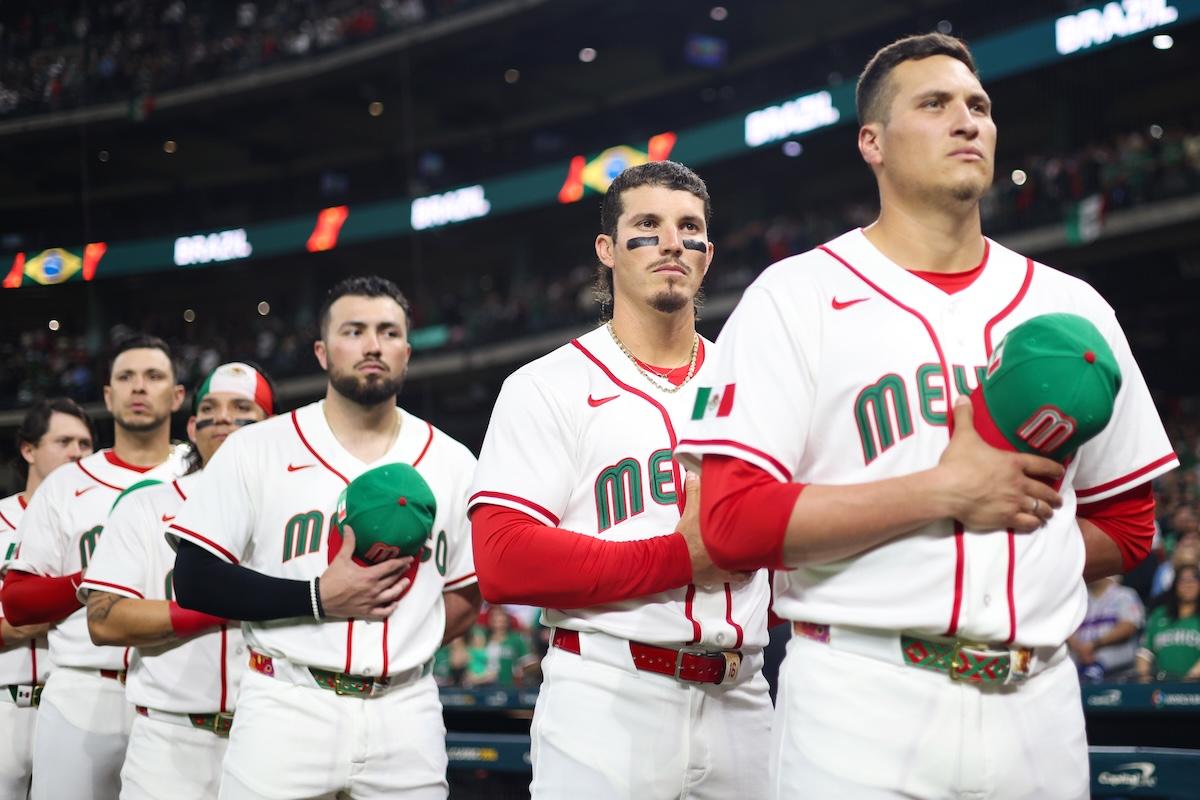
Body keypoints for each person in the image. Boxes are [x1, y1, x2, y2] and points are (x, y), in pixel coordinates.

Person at [675, 34, 1177, 800]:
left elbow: (1131, 527)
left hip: (1039, 701)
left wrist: (1009, 559)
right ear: (871, 142)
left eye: (978, 105)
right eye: (935, 104)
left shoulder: (1073, 306)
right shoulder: (797, 295)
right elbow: (731, 523)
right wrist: (943, 497)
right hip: (863, 696)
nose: (967, 121)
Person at [470, 160, 772, 800]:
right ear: (607, 249)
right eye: (648, 225)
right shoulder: (545, 385)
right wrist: (680, 556)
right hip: (607, 694)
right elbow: (504, 561)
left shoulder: (755, 384)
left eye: (689, 227)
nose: (671, 242)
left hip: (745, 698)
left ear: (708, 254)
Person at [169, 276, 480, 800]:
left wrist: (406, 638)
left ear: (407, 350)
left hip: (406, 711)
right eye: (353, 331)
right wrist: (316, 598)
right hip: (286, 700)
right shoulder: (257, 448)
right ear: (321, 350)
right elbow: (195, 580)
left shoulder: (454, 461)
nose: (372, 345)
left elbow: (469, 593)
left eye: (388, 332)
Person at [2, 336, 189, 800]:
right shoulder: (65, 484)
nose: (139, 388)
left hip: (181, 691)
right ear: (108, 395)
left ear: (177, 395)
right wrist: (97, 579)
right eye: (126, 377)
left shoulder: (201, 474)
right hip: (86, 690)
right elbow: (18, 601)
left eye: (154, 376)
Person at [79, 363, 275, 800]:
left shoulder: (296, 508)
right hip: (168, 740)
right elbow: (105, 621)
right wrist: (233, 601)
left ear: (274, 426)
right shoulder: (144, 506)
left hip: (271, 738)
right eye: (210, 407)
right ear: (192, 425)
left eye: (242, 407)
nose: (224, 417)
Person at [0, 398, 95, 797]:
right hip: (7, 704)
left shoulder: (100, 521)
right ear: (28, 450)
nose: (76, 452)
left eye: (85, 443)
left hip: (79, 703)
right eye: (64, 441)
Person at [1068, 576, 1145, 681]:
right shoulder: (1078, 600)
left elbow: (1128, 627)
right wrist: (1080, 648)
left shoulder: (1124, 595)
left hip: (1118, 671)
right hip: (1080, 667)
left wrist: (1094, 644)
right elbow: (1065, 629)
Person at [1136, 563, 1200, 681]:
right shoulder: (1160, 615)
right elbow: (1144, 653)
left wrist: (1190, 678)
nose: (1188, 584)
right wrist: (1144, 679)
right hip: (1162, 689)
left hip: (1195, 687)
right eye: (1183, 580)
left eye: (1194, 579)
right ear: (1175, 585)